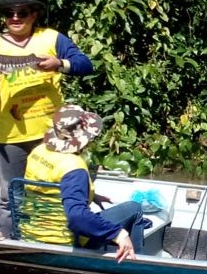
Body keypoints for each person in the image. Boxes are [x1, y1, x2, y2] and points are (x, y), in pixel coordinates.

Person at [0, 0, 93, 235]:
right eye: (9, 13)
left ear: (34, 14)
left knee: (52, 192)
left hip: (53, 134)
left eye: (22, 12)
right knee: (10, 198)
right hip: (11, 137)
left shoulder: (51, 39)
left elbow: (85, 64)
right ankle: (11, 244)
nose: (15, 18)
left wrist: (60, 64)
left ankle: (52, 239)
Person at [21, 104, 142, 261]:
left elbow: (48, 186)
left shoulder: (38, 152)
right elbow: (77, 218)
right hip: (64, 239)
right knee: (134, 208)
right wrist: (119, 235)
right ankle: (140, 263)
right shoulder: (73, 166)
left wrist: (91, 194)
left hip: (31, 233)